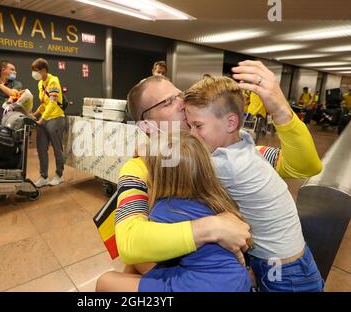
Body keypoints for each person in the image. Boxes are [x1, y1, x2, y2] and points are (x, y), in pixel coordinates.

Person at [111, 60, 322, 273]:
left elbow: (304, 167)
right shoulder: (140, 167)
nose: (182, 103)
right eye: (167, 102)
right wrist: (212, 228)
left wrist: (280, 110)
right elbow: (129, 242)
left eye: (180, 95)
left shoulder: (230, 152)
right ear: (146, 126)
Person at [184, 76, 323, 292]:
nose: (192, 134)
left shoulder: (225, 164)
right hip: (289, 260)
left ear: (231, 123)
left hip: (285, 272)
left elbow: (180, 176)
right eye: (189, 125)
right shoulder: (244, 140)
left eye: (198, 125)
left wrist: (147, 155)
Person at [97, 131, 252, 292]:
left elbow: (137, 243)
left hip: (198, 286)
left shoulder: (164, 210)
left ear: (156, 177)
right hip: (236, 281)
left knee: (105, 281)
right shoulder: (214, 196)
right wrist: (149, 154)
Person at [31, 58, 65, 187]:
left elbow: (52, 103)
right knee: (41, 148)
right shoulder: (40, 83)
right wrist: (34, 115)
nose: (34, 74)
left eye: (36, 71)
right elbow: (44, 104)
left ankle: (59, 175)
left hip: (55, 118)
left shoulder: (53, 81)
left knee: (57, 149)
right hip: (44, 120)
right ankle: (43, 176)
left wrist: (42, 119)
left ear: (44, 70)